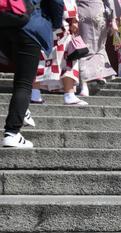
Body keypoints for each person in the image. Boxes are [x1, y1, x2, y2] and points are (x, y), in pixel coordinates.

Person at [1, 0, 65, 148]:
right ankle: (12, 133)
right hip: (29, 26)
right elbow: (57, 3)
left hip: (4, 25)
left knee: (21, 77)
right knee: (23, 84)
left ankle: (22, 110)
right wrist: (55, 23)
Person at [32, 0, 88, 106]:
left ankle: (34, 93)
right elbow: (61, 3)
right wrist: (72, 19)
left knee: (40, 59)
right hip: (60, 26)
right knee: (67, 61)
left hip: (42, 21)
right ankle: (69, 94)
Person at [76, 0, 121, 96]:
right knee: (99, 47)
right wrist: (113, 20)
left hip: (81, 11)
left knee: (84, 48)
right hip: (97, 12)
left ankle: (84, 85)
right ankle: (99, 74)